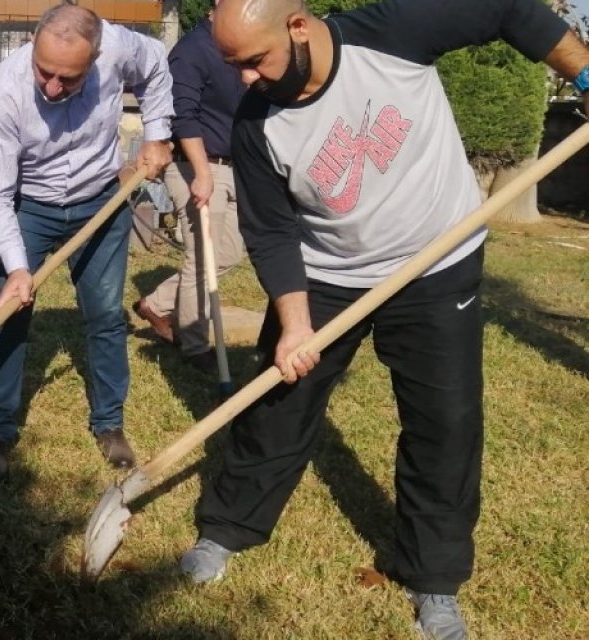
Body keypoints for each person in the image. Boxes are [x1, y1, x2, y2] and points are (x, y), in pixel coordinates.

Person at [178, 0, 589, 638]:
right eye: (235, 65)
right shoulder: (257, 121)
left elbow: (507, 7)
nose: (246, 79)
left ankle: (434, 579)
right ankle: (228, 529)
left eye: (254, 61)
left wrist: (585, 77)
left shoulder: (394, 32)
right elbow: (271, 231)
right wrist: (294, 324)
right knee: (279, 403)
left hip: (437, 261)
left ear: (297, 26)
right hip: (328, 275)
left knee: (444, 423)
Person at [0, 1, 175, 481]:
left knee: (105, 315)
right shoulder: (7, 89)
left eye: (68, 78)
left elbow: (156, 65)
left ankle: (109, 423)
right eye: (44, 72)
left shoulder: (118, 46)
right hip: (29, 207)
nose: (52, 87)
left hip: (100, 199)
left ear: (97, 58)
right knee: (8, 315)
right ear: (33, 46)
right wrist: (17, 268)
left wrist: (157, 133)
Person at [132, 1, 247, 374]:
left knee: (228, 253)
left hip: (233, 168)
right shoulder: (192, 50)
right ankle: (195, 345)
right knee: (202, 256)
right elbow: (182, 114)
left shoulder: (239, 47)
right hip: (195, 166)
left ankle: (155, 304)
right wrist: (201, 172)